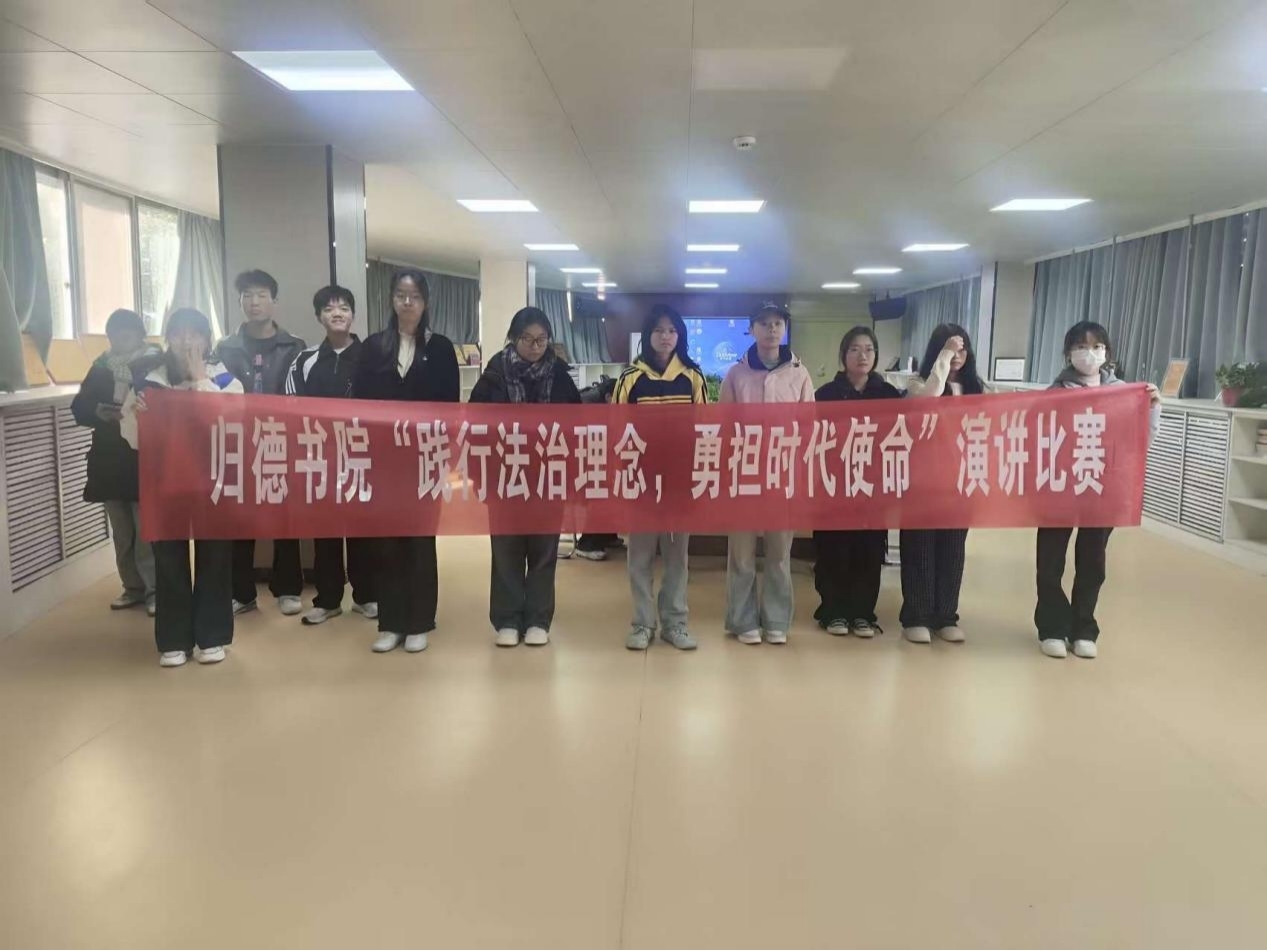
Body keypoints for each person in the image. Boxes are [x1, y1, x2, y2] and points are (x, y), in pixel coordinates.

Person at [120, 309, 244, 667]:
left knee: (215, 557)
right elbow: (132, 439)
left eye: (195, 334)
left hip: (213, 483)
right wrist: (137, 415)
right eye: (178, 334)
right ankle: (173, 639)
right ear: (167, 339)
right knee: (168, 558)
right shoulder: (149, 382)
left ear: (207, 340)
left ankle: (212, 636)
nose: (187, 341)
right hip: (165, 483)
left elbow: (231, 422)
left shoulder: (225, 380)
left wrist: (199, 378)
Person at [1036, 321, 1162, 660]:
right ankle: (1052, 627)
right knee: (1050, 561)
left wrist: (1152, 408)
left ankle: (1083, 629)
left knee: (1093, 561)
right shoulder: (1054, 393)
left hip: (1101, 489)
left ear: (1107, 352)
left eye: (1096, 346)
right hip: (1059, 487)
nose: (1089, 353)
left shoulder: (1123, 393)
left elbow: (1140, 442)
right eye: (1081, 346)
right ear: (1068, 353)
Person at [351, 268, 460, 654]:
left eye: (414, 296)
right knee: (387, 540)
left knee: (419, 538)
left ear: (425, 302)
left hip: (425, 456)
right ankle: (391, 622)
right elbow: (359, 402)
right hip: (384, 459)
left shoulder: (441, 348)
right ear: (392, 300)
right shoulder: (373, 347)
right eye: (400, 295)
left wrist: (447, 456)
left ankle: (419, 621)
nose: (407, 302)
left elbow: (450, 407)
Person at [469, 307, 581, 648]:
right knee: (506, 551)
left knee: (544, 551)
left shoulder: (560, 376)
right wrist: (479, 476)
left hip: (548, 478)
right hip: (504, 478)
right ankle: (507, 619)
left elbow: (577, 427)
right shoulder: (493, 376)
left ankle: (537, 620)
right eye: (527, 339)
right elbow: (474, 429)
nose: (535, 347)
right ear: (513, 339)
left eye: (541, 340)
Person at [612, 304, 708, 651]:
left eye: (671, 330)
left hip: (679, 483)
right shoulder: (630, 378)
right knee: (639, 557)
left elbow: (704, 430)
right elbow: (617, 431)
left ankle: (675, 623)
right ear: (647, 335)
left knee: (676, 558)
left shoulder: (693, 377)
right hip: (640, 482)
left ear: (679, 335)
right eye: (658, 330)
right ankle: (642, 623)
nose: (665, 336)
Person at [719, 303, 815, 645]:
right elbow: (724, 426)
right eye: (764, 323)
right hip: (744, 473)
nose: (772, 329)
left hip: (782, 475)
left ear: (784, 328)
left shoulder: (799, 374)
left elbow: (808, 426)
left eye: (777, 323)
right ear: (752, 329)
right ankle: (742, 620)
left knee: (779, 553)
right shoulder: (736, 374)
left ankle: (776, 620)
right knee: (742, 554)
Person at [216, 269, 307, 618]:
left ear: (274, 301)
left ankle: (288, 588)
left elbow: (303, 397)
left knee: (285, 518)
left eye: (261, 295)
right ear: (240, 301)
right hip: (237, 443)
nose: (254, 302)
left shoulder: (294, 346)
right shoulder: (225, 348)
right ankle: (242, 592)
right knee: (239, 519)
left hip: (281, 440)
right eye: (247, 296)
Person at [284, 285, 377, 627]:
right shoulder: (305, 360)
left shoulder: (372, 357)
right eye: (328, 308)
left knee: (363, 530)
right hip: (320, 457)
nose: (337, 313)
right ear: (318, 317)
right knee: (325, 530)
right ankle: (328, 599)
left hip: (362, 456)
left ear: (353, 315)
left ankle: (366, 596)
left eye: (343, 308)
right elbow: (291, 406)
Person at [812, 326, 901, 638]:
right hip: (834, 484)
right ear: (843, 355)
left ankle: (863, 613)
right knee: (834, 548)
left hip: (873, 486)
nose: (862, 356)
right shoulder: (825, 395)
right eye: (855, 349)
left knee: (869, 549)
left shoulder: (888, 395)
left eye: (869, 350)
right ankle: (833, 611)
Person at [71, 309, 160, 616]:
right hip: (108, 459)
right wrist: (97, 411)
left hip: (142, 458)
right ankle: (131, 587)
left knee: (145, 531)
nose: (120, 338)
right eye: (114, 333)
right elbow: (79, 407)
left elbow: (166, 406)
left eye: (127, 332)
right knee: (122, 533)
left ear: (140, 334)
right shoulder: (100, 367)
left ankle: (154, 590)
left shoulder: (153, 363)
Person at [899, 322, 984, 646]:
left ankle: (946, 615)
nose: (958, 355)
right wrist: (944, 358)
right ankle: (917, 616)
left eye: (962, 348)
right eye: (949, 347)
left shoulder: (975, 388)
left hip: (960, 481)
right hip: (922, 479)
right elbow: (928, 398)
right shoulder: (917, 383)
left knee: (952, 550)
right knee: (919, 547)